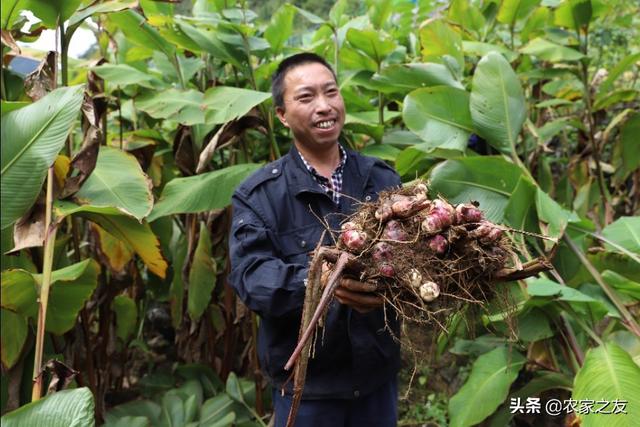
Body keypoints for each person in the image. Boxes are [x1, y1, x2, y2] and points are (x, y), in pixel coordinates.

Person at [228, 53, 401, 427]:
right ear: (282, 115)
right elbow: (253, 279)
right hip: (307, 392)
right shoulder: (259, 195)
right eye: (306, 98)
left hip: (377, 381)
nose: (324, 106)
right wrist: (321, 281)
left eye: (331, 92)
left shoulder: (382, 180)